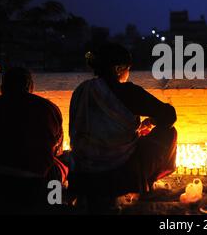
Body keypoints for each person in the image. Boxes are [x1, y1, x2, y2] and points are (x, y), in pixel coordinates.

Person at [68, 42, 177, 212]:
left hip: (83, 171)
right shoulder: (128, 92)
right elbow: (170, 115)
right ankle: (144, 184)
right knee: (169, 132)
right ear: (119, 69)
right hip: (119, 172)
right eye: (128, 69)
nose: (128, 74)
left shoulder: (82, 90)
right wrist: (153, 122)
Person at [0, 67, 68, 213]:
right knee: (57, 169)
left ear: (3, 87)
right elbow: (57, 148)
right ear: (30, 86)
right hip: (33, 180)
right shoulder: (48, 108)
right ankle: (54, 205)